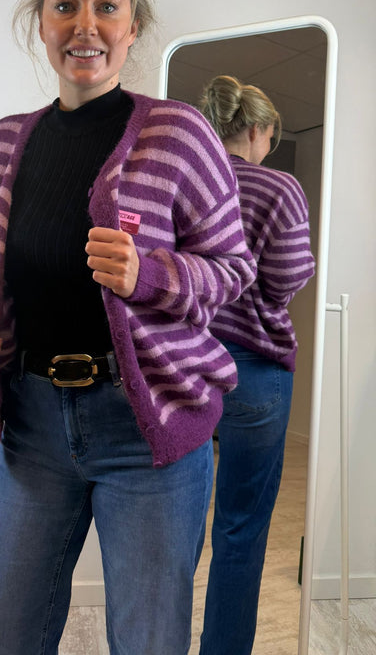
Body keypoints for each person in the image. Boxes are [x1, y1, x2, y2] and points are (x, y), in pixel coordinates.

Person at [0, 0, 256, 655]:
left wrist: (148, 275)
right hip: (32, 428)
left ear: (133, 26)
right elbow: (15, 277)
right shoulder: (6, 142)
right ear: (41, 22)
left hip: (148, 428)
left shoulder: (180, 133)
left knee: (149, 641)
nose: (84, 24)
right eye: (65, 4)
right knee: (3, 633)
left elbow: (234, 270)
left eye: (106, 5)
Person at [197, 75, 316, 655]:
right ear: (259, 129)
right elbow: (287, 277)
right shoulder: (279, 187)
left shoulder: (194, 179)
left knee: (173, 521)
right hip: (255, 368)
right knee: (241, 528)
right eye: (271, 137)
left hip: (187, 364)